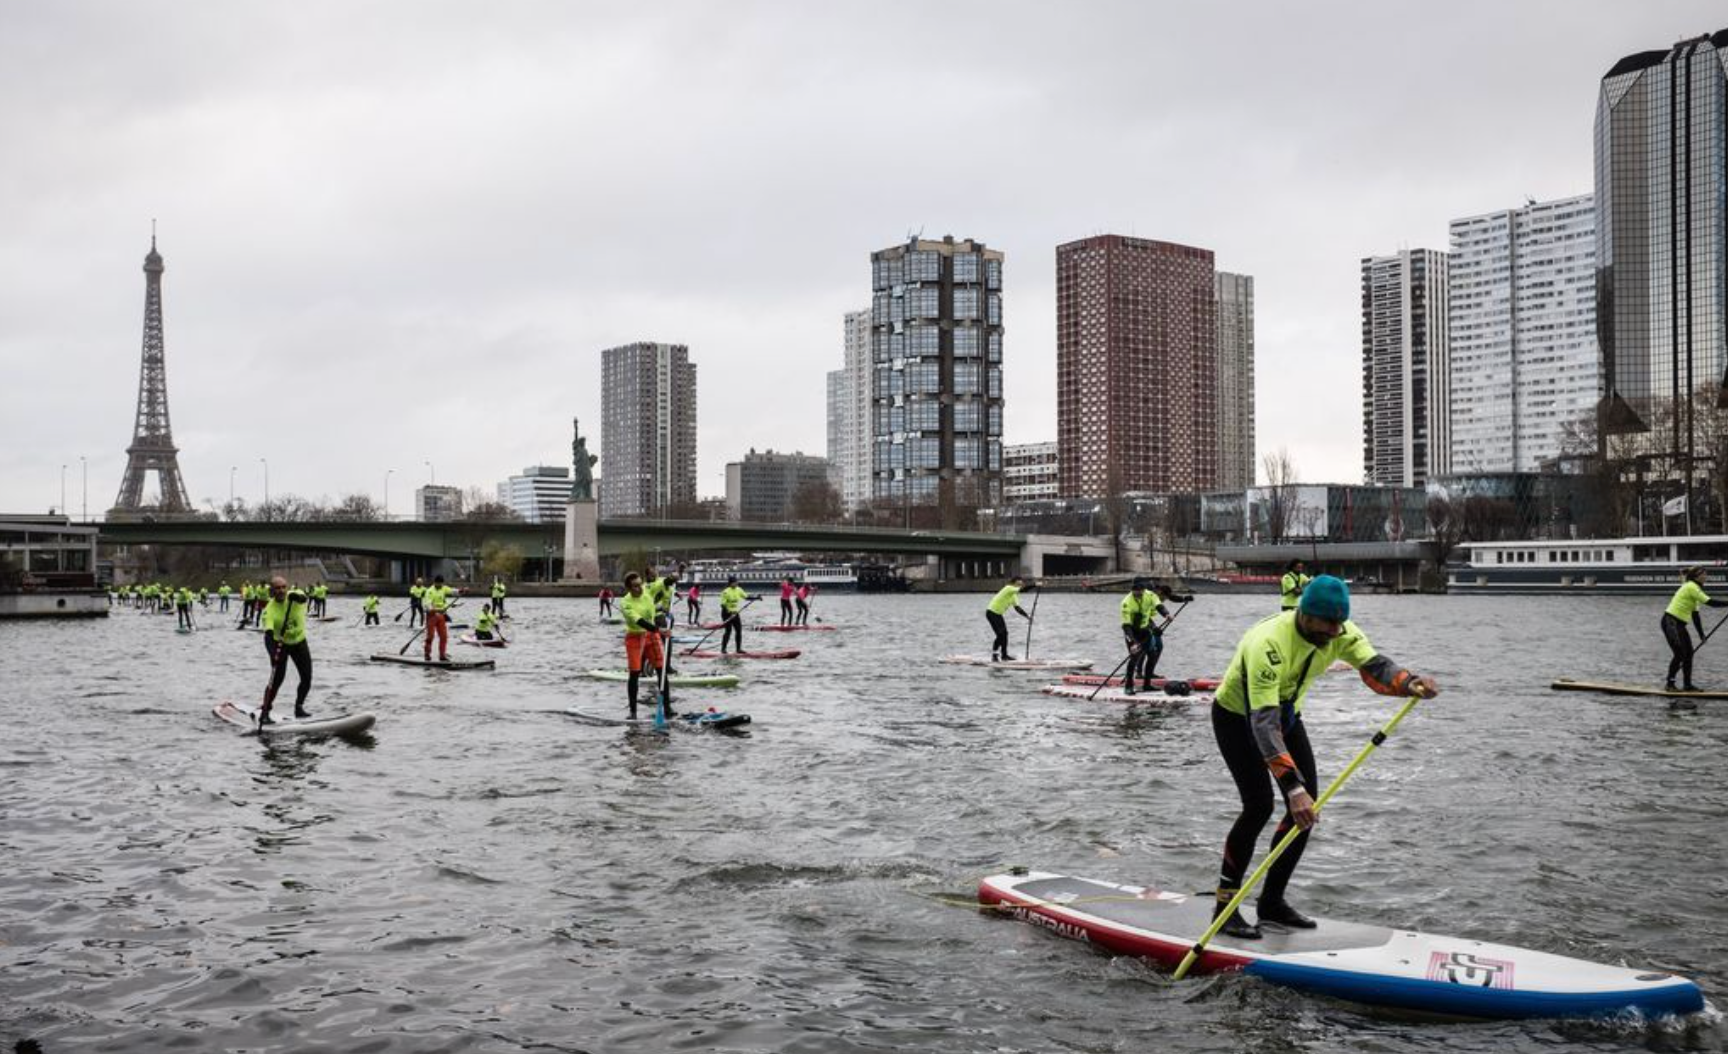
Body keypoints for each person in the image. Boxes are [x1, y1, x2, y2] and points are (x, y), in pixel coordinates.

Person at [1208, 575, 1439, 939]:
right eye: (1328, 624)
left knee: (1306, 810)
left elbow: (1375, 667)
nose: (1336, 632)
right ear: (1305, 615)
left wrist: (1409, 682)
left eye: (1339, 624)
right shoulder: (1267, 643)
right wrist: (1291, 786)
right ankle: (1224, 909)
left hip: (1286, 717)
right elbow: (1263, 725)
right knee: (1259, 806)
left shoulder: (1340, 630)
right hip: (1240, 718)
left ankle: (1271, 904)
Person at [1663, 566, 1728, 694]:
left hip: (1679, 625)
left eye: (1706, 574)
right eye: (1703, 574)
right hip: (1671, 622)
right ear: (1697, 576)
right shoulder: (1691, 587)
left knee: (1689, 654)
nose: (1706, 576)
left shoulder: (1695, 589)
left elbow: (1695, 615)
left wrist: (1701, 635)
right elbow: (1710, 602)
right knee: (1680, 654)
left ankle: (1687, 685)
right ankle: (1670, 684)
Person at [258, 576, 313, 723]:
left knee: (307, 678)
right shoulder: (269, 610)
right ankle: (265, 712)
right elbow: (268, 635)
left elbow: (303, 598)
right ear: (272, 591)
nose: (281, 590)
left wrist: (297, 597)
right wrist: (273, 654)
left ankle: (299, 708)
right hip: (279, 644)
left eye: (283, 587)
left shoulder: (295, 596)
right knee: (276, 680)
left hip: (299, 642)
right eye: (277, 588)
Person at [620, 572, 672, 719]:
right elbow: (640, 621)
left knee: (662, 671)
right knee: (635, 673)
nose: (639, 588)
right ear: (629, 588)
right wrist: (659, 629)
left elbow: (662, 584)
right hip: (635, 637)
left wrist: (673, 577)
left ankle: (667, 709)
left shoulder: (647, 594)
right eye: (635, 586)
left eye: (640, 584)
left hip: (651, 636)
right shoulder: (625, 603)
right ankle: (633, 712)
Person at [1118, 578, 1170, 694]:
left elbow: (1158, 606)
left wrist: (1166, 615)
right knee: (1134, 658)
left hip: (1145, 630)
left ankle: (1147, 684)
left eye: (1141, 591)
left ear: (1143, 589)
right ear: (1132, 590)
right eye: (1136, 592)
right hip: (1132, 632)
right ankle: (1128, 686)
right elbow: (1126, 626)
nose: (1139, 594)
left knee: (1152, 655)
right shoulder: (1126, 603)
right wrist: (1133, 642)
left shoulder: (1150, 595)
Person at [985, 575, 1032, 661]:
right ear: (1014, 582)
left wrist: (1027, 616)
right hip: (991, 612)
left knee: (1004, 634)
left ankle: (1004, 655)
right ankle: (994, 655)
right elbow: (1024, 590)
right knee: (1000, 634)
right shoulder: (1008, 588)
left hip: (998, 614)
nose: (1020, 584)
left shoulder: (1014, 595)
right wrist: (1035, 585)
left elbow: (1017, 608)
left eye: (1021, 582)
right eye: (1018, 582)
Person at [718, 575, 757, 654]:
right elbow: (722, 605)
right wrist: (729, 612)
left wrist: (756, 597)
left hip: (735, 613)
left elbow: (746, 597)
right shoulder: (726, 591)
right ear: (731, 583)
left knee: (739, 631)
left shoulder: (739, 589)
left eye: (737, 581)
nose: (737, 583)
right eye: (735, 582)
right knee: (728, 631)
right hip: (726, 613)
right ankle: (723, 649)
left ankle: (738, 649)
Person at [423, 574, 454, 662]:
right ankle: (427, 654)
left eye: (441, 583)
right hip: (431, 615)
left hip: (441, 616)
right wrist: (437, 610)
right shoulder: (429, 591)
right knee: (430, 636)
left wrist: (461, 590)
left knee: (444, 636)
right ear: (435, 582)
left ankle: (442, 655)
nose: (440, 585)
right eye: (438, 583)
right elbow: (428, 606)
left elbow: (452, 591)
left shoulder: (443, 588)